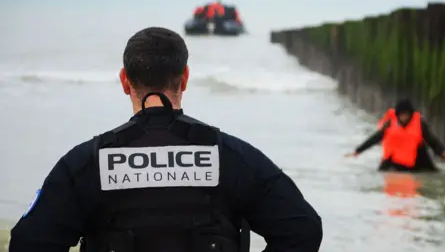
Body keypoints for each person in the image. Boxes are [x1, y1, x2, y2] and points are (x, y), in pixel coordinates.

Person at [8, 27, 323, 252]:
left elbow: (28, 243)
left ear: (124, 81)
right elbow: (302, 230)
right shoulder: (231, 157)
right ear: (185, 78)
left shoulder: (86, 163)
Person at [345, 98, 445, 172]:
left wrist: (442, 151)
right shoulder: (390, 123)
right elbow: (375, 138)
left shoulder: (419, 123)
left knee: (431, 173)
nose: (404, 117)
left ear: (411, 114)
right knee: (383, 173)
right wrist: (358, 151)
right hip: (394, 159)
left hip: (418, 159)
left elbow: (431, 140)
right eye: (402, 115)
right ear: (397, 115)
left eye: (407, 115)